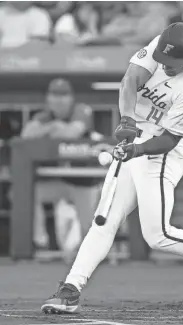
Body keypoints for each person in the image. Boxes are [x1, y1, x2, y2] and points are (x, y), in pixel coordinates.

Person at [41, 23, 183, 315]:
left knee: (158, 236)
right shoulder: (161, 45)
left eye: (172, 64)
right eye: (163, 59)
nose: (165, 66)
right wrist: (127, 121)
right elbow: (130, 80)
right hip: (136, 136)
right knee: (104, 221)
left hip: (160, 153)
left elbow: (169, 140)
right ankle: (71, 289)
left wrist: (138, 149)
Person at [21, 78, 102, 261]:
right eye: (54, 95)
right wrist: (53, 126)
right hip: (60, 181)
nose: (58, 100)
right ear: (48, 98)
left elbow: (71, 133)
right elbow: (26, 135)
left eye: (63, 96)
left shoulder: (81, 110)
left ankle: (89, 259)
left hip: (85, 181)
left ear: (71, 98)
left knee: (88, 230)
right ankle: (39, 242)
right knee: (29, 193)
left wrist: (47, 131)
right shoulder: (44, 116)